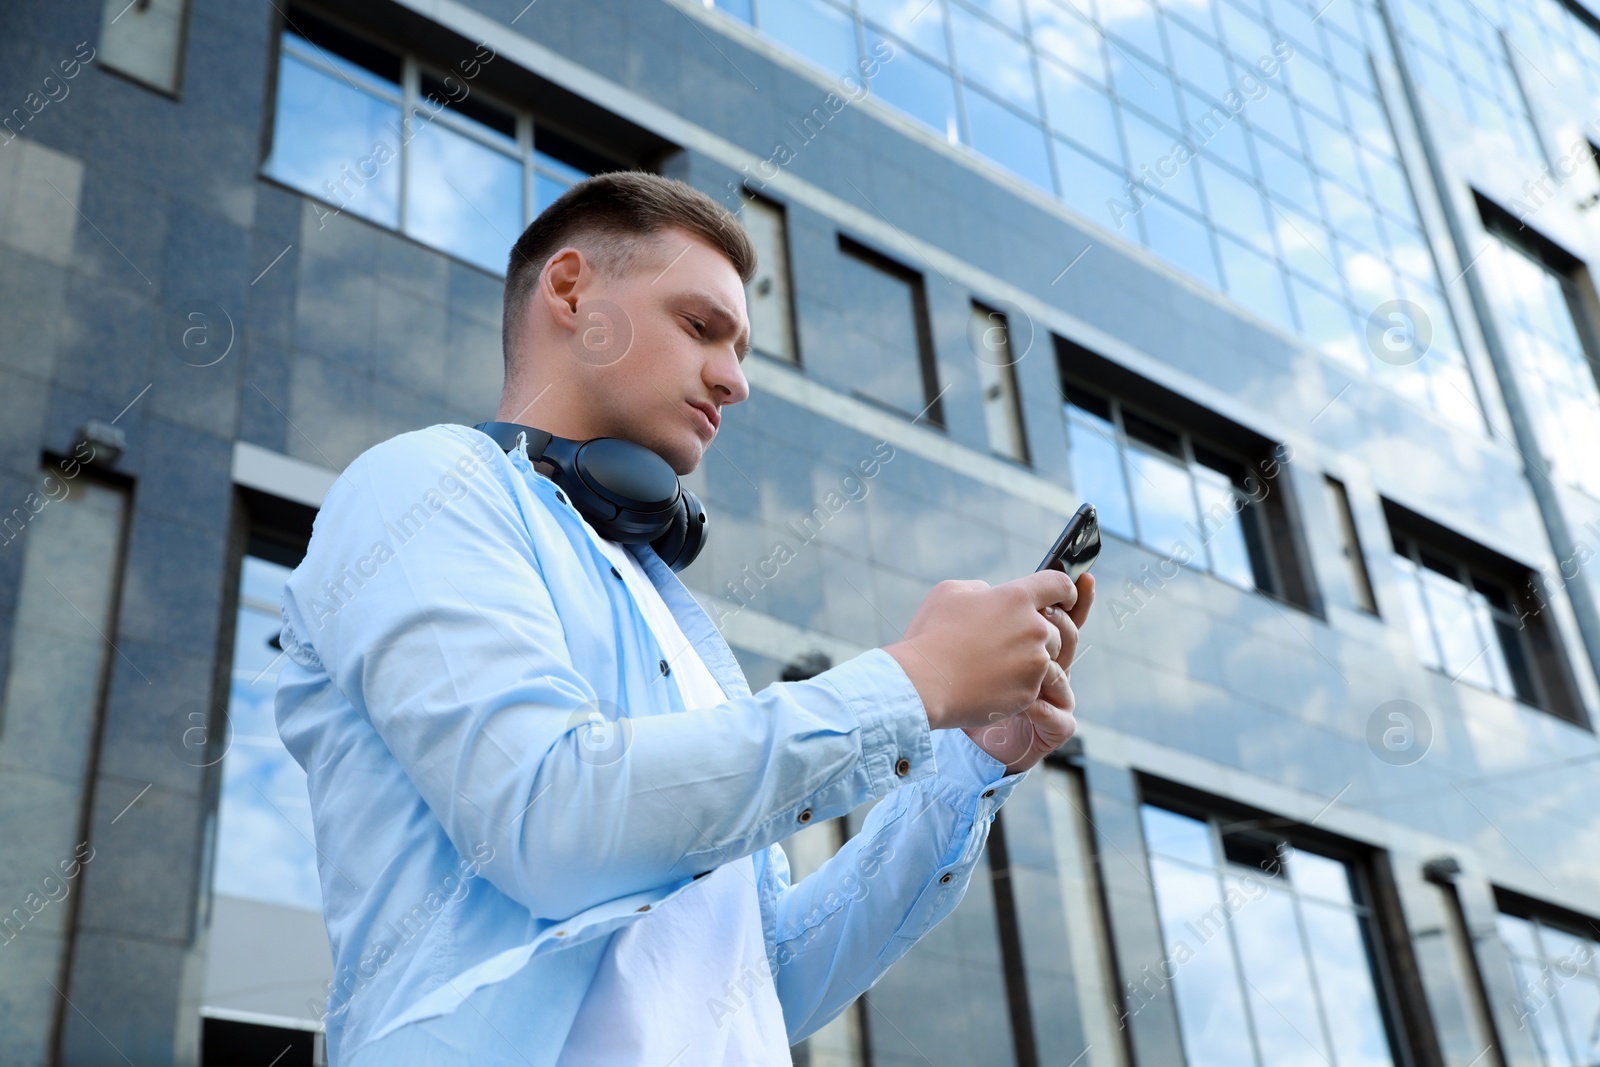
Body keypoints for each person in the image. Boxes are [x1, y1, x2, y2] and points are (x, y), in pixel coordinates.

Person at [274, 170, 1095, 1066]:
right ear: (572, 290)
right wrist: (916, 680)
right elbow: (550, 817)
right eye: (702, 327)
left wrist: (968, 757)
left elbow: (766, 978)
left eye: (741, 348)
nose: (736, 381)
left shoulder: (672, 619)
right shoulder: (426, 486)